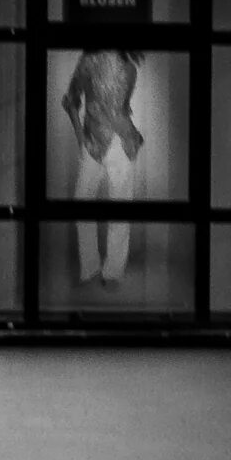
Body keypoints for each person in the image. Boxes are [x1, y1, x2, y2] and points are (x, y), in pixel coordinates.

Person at [64, 49, 144, 288]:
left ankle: (111, 272)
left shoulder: (129, 68)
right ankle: (91, 268)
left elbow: (122, 109)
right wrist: (80, 137)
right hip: (95, 142)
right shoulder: (88, 60)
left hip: (121, 144)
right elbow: (70, 100)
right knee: (84, 204)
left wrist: (131, 136)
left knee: (119, 210)